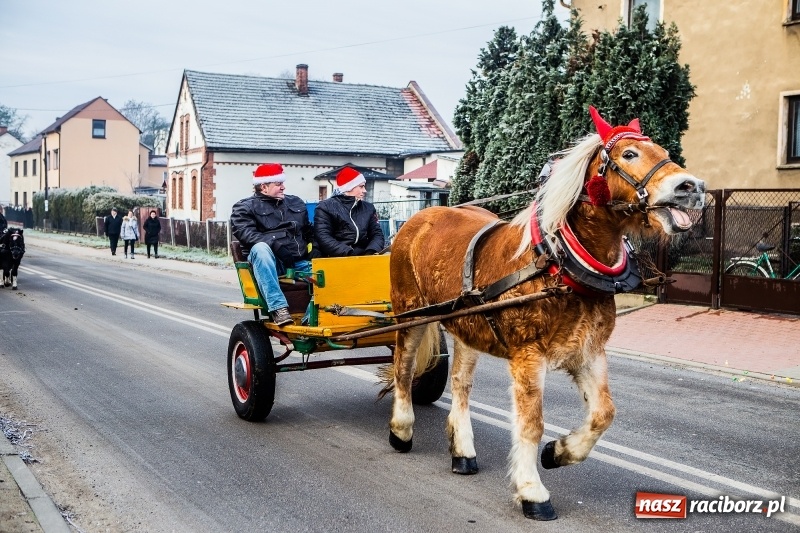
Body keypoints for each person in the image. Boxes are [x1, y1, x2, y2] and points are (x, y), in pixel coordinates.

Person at [230, 163, 313, 326]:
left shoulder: (295, 203)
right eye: (278, 184)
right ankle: (278, 308)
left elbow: (309, 231)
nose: (283, 187)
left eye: (282, 183)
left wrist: (317, 248)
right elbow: (246, 233)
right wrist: (276, 246)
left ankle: (310, 318)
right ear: (263, 186)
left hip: (298, 263)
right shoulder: (244, 207)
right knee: (260, 248)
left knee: (332, 274)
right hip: (269, 264)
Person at [313, 167, 385, 257]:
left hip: (364, 256)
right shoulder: (325, 207)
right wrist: (349, 252)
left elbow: (377, 234)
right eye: (361, 186)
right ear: (349, 187)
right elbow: (323, 237)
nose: (364, 190)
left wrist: (371, 251)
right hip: (335, 258)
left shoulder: (368, 208)